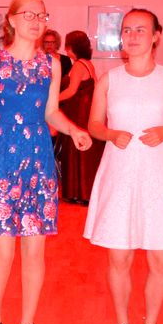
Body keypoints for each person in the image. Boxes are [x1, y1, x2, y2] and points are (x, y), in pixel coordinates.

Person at [0, 0, 92, 324]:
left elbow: (50, 112)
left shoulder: (52, 64)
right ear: (12, 20)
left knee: (35, 253)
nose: (36, 21)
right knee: (2, 253)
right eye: (29, 15)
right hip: (2, 161)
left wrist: (74, 130)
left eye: (41, 15)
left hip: (38, 161)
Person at [84, 8, 163, 324]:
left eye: (140, 30)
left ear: (156, 36)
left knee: (160, 260)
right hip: (119, 173)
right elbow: (94, 125)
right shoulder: (109, 80)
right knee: (120, 258)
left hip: (158, 175)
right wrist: (110, 134)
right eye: (127, 30)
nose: (132, 36)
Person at [57, 30, 105, 205]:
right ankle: (86, 191)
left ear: (72, 48)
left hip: (78, 113)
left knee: (77, 150)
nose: (65, 49)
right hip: (86, 112)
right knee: (87, 152)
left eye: (67, 46)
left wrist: (52, 101)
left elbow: (71, 91)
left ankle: (79, 192)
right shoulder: (88, 64)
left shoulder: (78, 65)